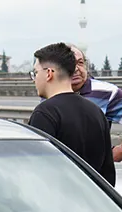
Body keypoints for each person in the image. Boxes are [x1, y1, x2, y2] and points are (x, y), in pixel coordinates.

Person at [28, 42, 115, 185]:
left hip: (60, 202)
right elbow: (108, 173)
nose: (34, 79)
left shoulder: (45, 113)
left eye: (36, 73)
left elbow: (38, 171)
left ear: (49, 73)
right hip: (94, 201)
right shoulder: (96, 112)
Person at [69, 44, 122, 167]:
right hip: (62, 168)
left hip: (94, 171)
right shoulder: (50, 92)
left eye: (80, 63)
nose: (76, 69)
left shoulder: (104, 92)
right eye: (70, 63)